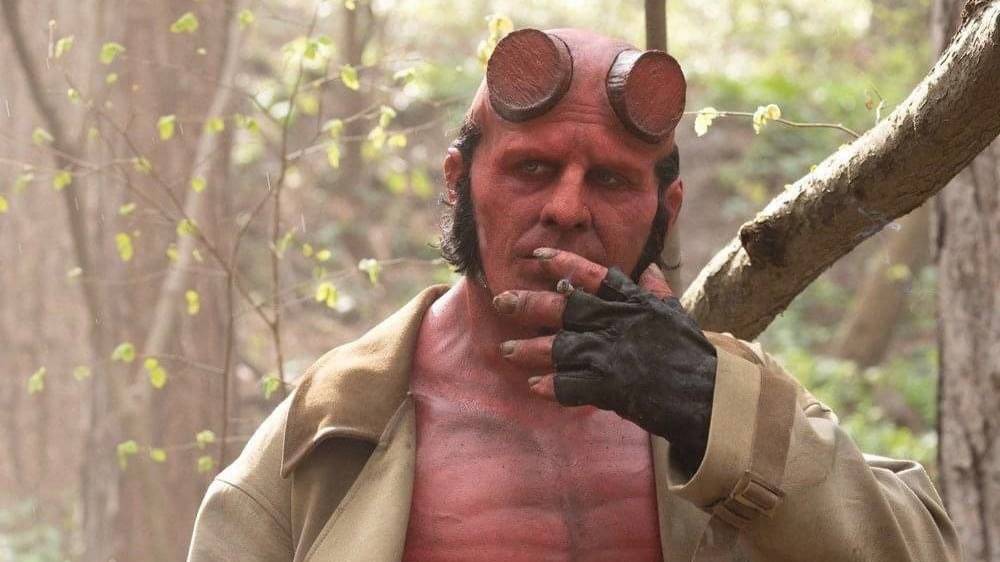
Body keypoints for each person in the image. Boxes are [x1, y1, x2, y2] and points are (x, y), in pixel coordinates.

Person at [188, 28, 960, 561]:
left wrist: (703, 405)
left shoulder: (721, 397)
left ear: (666, 211)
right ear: (458, 183)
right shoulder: (335, 429)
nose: (566, 208)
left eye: (612, 181)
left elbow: (918, 547)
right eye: (531, 169)